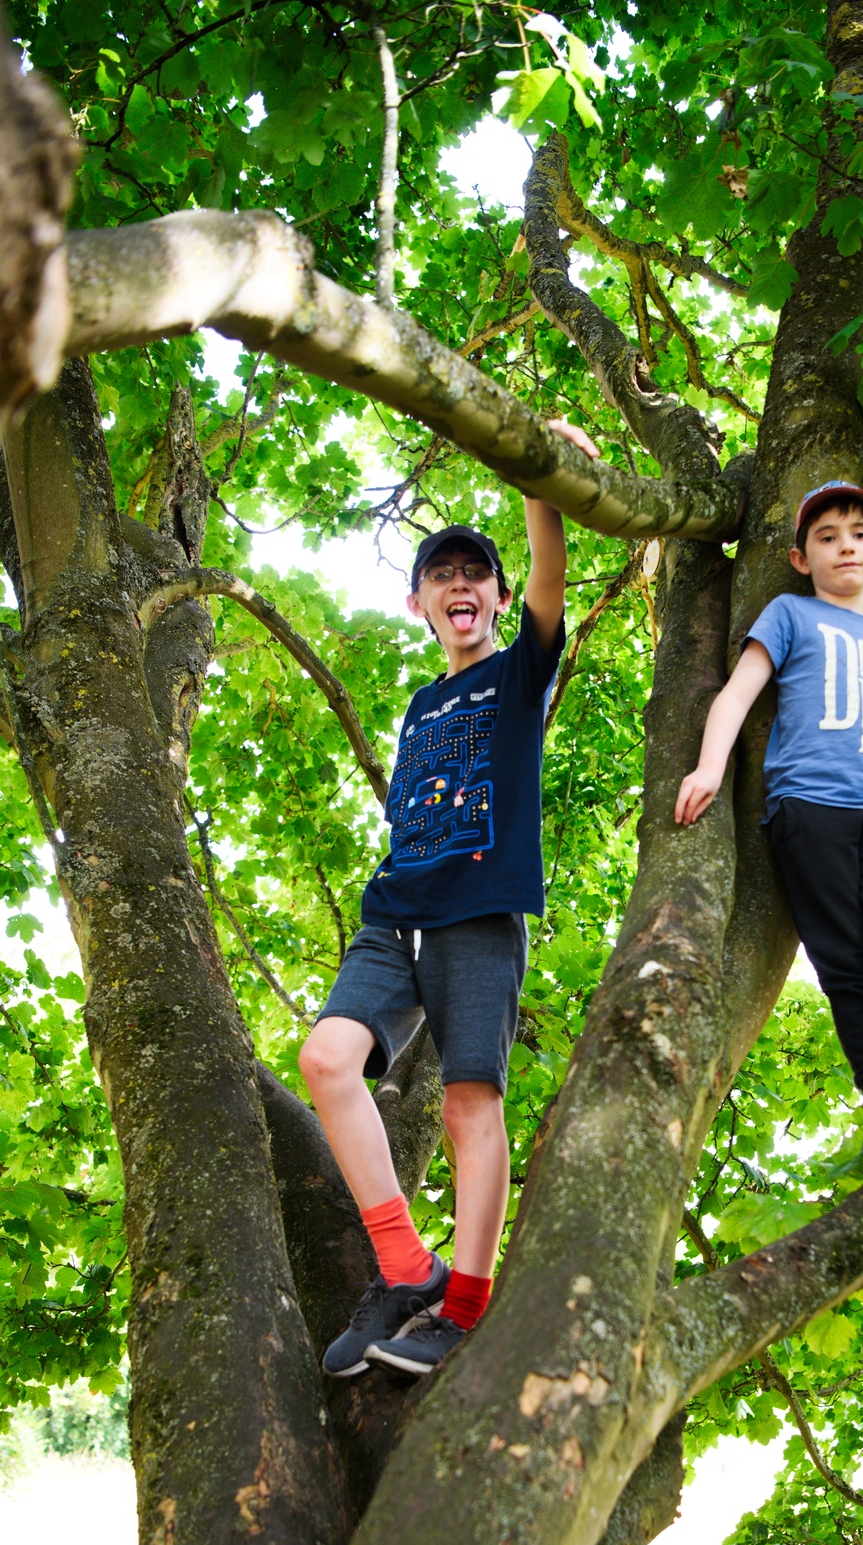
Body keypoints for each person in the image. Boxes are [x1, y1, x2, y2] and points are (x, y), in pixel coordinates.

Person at [301, 418, 601, 1378]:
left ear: (499, 597)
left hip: (478, 910)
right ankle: (405, 1268)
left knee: (471, 1103)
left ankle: (462, 1307)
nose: (460, 584)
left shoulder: (518, 673)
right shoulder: (421, 704)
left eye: (477, 573)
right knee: (326, 1060)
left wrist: (535, 477)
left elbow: (551, 577)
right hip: (396, 913)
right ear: (418, 602)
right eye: (442, 574)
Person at [675, 479, 863, 1166]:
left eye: (858, 535)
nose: (845, 546)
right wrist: (708, 769)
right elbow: (737, 695)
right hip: (810, 807)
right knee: (844, 960)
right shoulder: (789, 613)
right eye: (826, 537)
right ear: (800, 558)